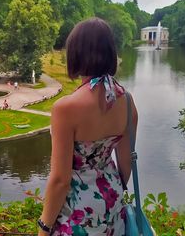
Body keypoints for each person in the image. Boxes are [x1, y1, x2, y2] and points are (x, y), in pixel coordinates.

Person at [37, 18, 137, 235]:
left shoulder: (66, 108)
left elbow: (61, 180)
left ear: (76, 54)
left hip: (77, 211)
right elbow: (126, 163)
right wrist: (111, 190)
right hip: (112, 203)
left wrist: (44, 227)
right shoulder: (127, 102)